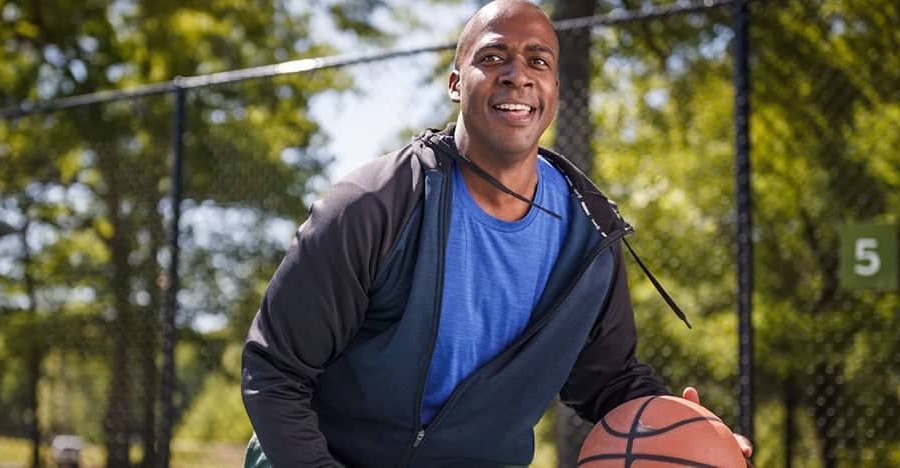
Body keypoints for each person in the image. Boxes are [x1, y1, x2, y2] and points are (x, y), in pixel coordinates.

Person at [241, 1, 751, 466]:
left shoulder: (589, 236)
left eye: (538, 61)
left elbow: (608, 381)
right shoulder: (374, 206)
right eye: (493, 58)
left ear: (554, 88)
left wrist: (694, 435)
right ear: (456, 82)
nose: (518, 76)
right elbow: (275, 372)